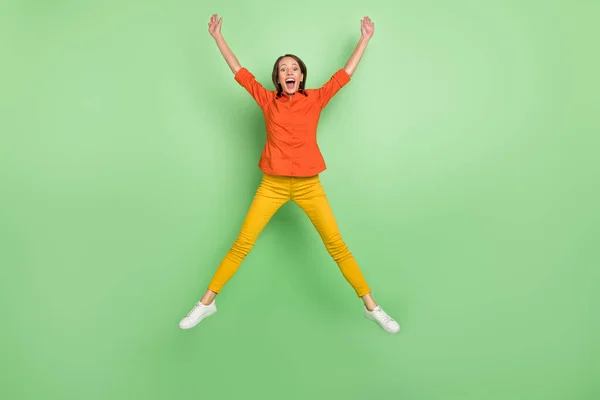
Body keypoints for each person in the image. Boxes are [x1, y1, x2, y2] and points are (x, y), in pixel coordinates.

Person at [179, 14, 400, 333]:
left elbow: (344, 74)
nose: (289, 72)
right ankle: (206, 304)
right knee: (242, 243)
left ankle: (373, 308)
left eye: (294, 68)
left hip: (310, 187)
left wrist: (364, 38)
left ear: (301, 75)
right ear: (277, 79)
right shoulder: (267, 101)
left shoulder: (316, 99)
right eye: (283, 69)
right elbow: (239, 72)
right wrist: (217, 38)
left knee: (337, 245)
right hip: (272, 186)